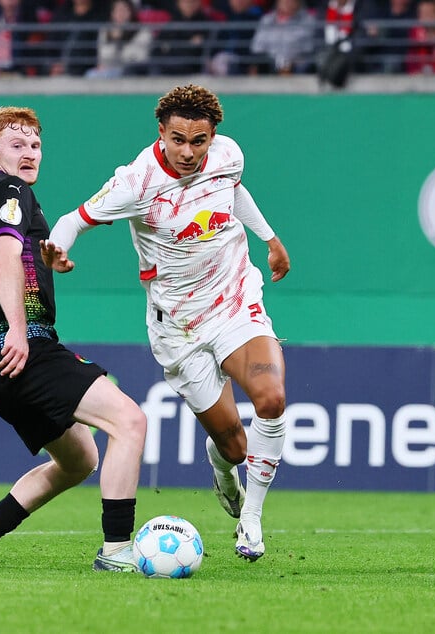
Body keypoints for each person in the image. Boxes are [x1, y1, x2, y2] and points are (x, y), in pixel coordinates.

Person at [45, 85, 290, 562]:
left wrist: (270, 237)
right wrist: (58, 249)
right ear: (161, 132)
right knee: (235, 446)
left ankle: (252, 522)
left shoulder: (227, 156)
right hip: (177, 326)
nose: (188, 152)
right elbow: (73, 221)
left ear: (213, 136)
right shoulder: (136, 182)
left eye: (198, 141)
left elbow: (233, 190)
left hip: (234, 299)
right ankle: (223, 467)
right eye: (178, 139)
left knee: (271, 396)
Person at [0, 106, 147, 572]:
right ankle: (117, 550)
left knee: (80, 459)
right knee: (131, 421)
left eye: (35, 145)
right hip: (22, 347)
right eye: (16, 145)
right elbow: (6, 260)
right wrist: (19, 333)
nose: (29, 153)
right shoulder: (10, 190)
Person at [86, 0, 153, 78]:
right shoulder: (105, 31)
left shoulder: (143, 31)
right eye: (117, 10)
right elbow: (102, 57)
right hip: (108, 69)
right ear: (112, 13)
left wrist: (119, 40)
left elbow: (139, 58)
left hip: (131, 71)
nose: (120, 14)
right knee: (90, 74)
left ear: (131, 12)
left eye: (124, 10)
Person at [249, 0, 317, 74]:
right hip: (270, 64)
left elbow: (308, 48)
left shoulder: (308, 20)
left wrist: (288, 63)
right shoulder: (267, 20)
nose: (287, 2)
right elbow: (257, 47)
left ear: (298, 2)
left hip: (296, 64)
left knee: (304, 65)